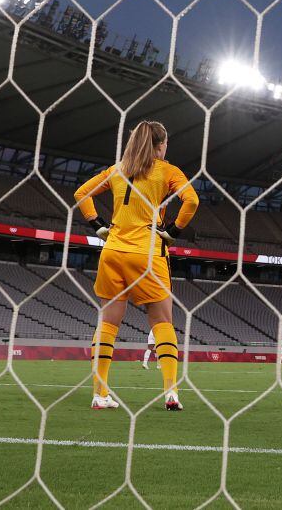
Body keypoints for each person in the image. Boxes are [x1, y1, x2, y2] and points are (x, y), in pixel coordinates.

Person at [74, 120, 199, 411]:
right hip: (147, 253)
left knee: (107, 324)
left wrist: (98, 225)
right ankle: (171, 392)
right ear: (160, 145)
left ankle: (99, 394)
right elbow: (191, 201)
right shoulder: (167, 170)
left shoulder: (117, 169)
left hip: (113, 250)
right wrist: (174, 232)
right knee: (162, 322)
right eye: (166, 144)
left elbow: (81, 193)